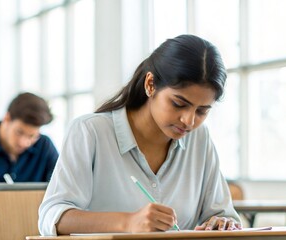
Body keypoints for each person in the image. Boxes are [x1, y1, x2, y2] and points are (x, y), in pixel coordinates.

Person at [38, 34, 242, 236]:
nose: (189, 121)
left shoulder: (199, 139)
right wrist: (127, 222)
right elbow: (52, 217)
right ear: (150, 84)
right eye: (179, 104)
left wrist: (223, 222)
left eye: (202, 111)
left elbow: (221, 214)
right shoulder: (90, 132)